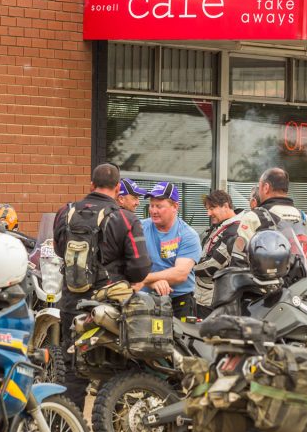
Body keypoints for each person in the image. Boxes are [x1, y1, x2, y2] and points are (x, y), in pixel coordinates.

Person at [54, 163, 152, 408]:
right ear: (118, 188)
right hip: (109, 304)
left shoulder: (64, 212)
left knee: (72, 365)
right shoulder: (125, 218)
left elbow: (59, 250)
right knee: (122, 365)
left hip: (71, 302)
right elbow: (140, 266)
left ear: (91, 185)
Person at [232, 168, 307, 285]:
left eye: (259, 187)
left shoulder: (253, 218)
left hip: (264, 299)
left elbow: (239, 265)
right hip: (301, 297)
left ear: (266, 187)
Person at [137, 181, 202, 319]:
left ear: (175, 206)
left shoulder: (187, 235)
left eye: (159, 206)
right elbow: (127, 263)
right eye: (152, 205)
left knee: (180, 340)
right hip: (143, 300)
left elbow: (180, 274)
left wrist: (144, 279)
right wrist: (153, 282)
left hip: (179, 303)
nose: (153, 211)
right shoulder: (139, 228)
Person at [194, 190, 242, 317]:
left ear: (226, 206)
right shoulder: (224, 225)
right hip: (207, 296)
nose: (208, 213)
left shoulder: (234, 230)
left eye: (212, 208)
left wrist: (186, 268)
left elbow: (213, 265)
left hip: (214, 299)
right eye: (207, 209)